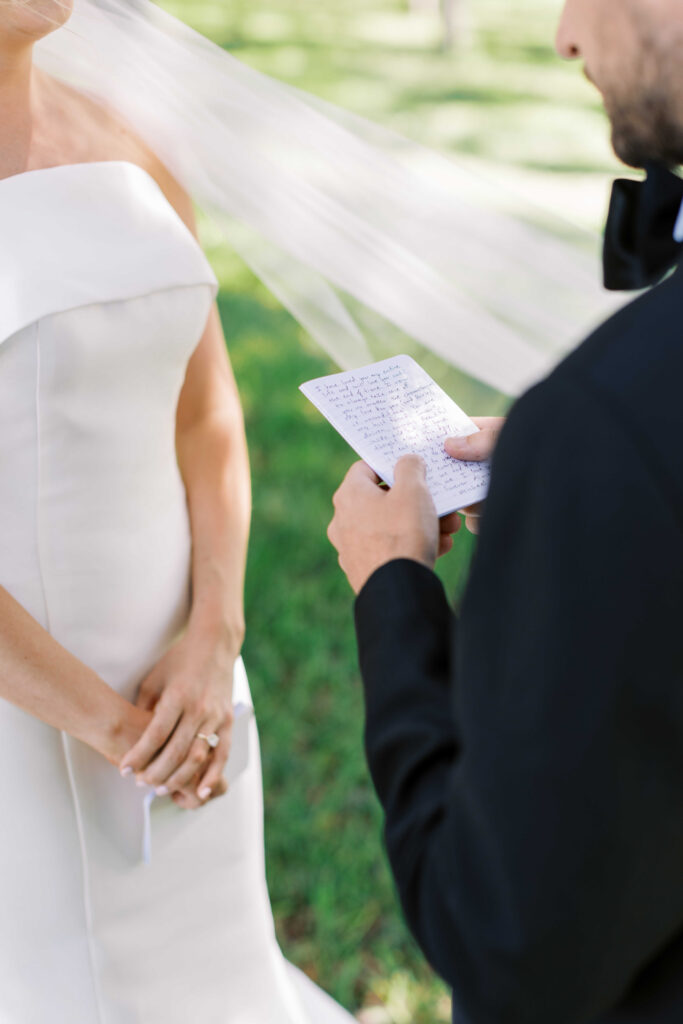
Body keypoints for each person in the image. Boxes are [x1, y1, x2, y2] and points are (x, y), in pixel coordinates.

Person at [0, 2, 358, 1021]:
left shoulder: (132, 135)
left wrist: (213, 634)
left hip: (192, 688)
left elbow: (205, 412)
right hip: (28, 729)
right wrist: (112, 730)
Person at [329, 0, 683, 1021]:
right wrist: (566, 488)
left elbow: (506, 944)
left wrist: (392, 590)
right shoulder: (604, 446)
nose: (566, 34)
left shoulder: (607, 432)